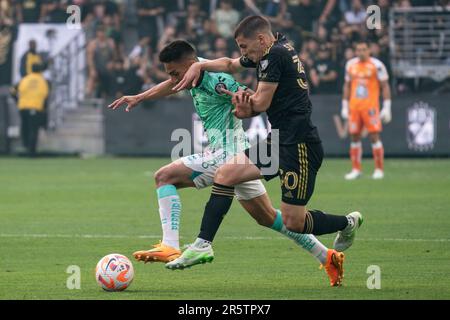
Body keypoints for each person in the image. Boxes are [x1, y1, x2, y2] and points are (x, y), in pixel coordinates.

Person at [108, 40, 343, 286]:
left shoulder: (216, 80)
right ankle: (328, 256)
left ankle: (170, 244)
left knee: (164, 177)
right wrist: (140, 96)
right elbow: (172, 85)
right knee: (267, 218)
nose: (174, 78)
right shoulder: (191, 76)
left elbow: (249, 96)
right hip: (237, 155)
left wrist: (244, 101)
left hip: (228, 153)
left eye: (176, 72)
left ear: (191, 65)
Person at [170, 16, 363, 286]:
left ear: (261, 39)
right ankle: (203, 244)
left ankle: (347, 222)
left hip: (300, 146)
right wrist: (199, 66)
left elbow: (259, 104)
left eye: (244, 46)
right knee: (226, 174)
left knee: (295, 221)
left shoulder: (276, 56)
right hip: (278, 140)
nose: (243, 53)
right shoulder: (270, 50)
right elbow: (229, 64)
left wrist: (240, 105)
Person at [341, 40, 392, 180]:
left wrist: (387, 107)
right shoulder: (350, 65)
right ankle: (356, 169)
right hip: (355, 107)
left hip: (370, 107)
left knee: (374, 136)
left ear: (369, 50)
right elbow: (347, 85)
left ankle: (379, 169)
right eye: (358, 49)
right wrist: (344, 106)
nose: (361, 52)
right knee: (354, 136)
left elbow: (385, 86)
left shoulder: (377, 65)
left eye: (363, 49)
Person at [17, 63, 49, 157]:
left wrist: (17, 102)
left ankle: (26, 147)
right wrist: (44, 109)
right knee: (33, 130)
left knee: (25, 128)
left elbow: (15, 91)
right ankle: (31, 151)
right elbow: (45, 95)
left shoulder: (25, 79)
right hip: (35, 107)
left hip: (23, 107)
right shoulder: (42, 80)